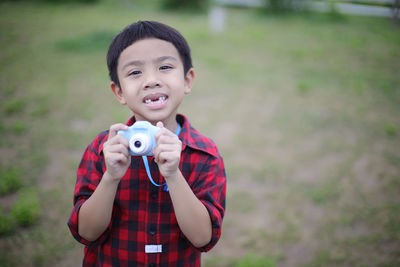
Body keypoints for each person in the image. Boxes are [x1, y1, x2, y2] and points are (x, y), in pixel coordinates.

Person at [67, 20, 226, 266]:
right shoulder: (103, 150)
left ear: (187, 80)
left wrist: (173, 175)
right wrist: (110, 177)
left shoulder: (204, 155)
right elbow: (86, 232)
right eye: (135, 72)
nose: (151, 80)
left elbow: (203, 238)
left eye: (164, 67)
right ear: (119, 91)